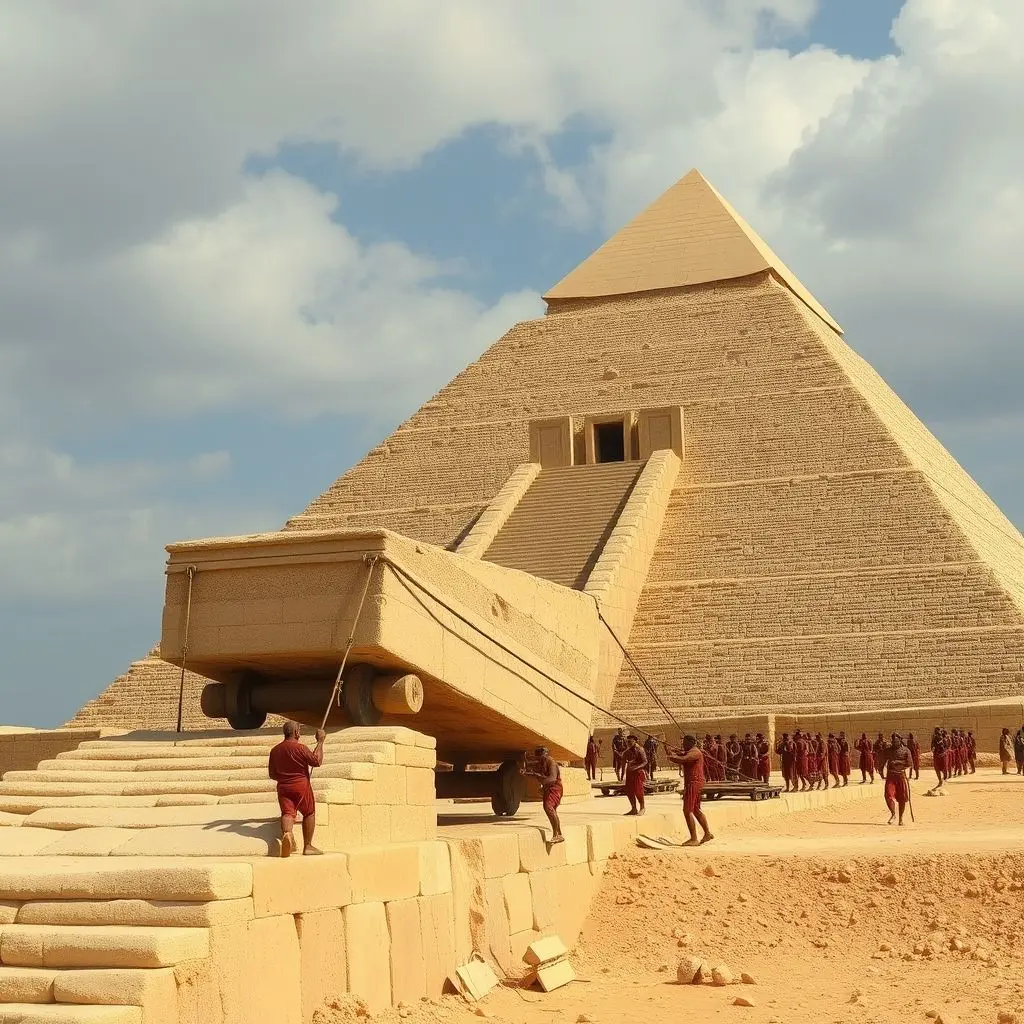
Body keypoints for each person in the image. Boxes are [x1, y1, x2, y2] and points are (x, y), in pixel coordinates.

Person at [268, 720, 326, 858]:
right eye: (299, 730)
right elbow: (316, 761)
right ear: (296, 732)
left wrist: (284, 778)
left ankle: (287, 834)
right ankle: (308, 846)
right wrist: (320, 742)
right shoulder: (300, 748)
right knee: (309, 813)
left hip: (283, 787)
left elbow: (272, 774)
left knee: (287, 813)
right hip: (301, 785)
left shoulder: (275, 750)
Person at [666, 735, 714, 846]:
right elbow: (681, 755)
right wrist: (668, 750)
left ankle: (694, 838)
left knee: (687, 810)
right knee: (696, 809)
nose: (683, 744)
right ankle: (707, 833)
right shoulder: (690, 752)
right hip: (694, 783)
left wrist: (671, 756)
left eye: (684, 742)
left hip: (694, 783)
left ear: (689, 742)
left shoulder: (695, 753)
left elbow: (683, 759)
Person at [527, 746, 564, 844]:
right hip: (548, 789)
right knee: (552, 810)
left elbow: (552, 778)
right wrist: (528, 774)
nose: (539, 759)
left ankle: (557, 834)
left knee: (548, 807)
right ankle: (559, 834)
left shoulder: (551, 762)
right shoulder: (542, 762)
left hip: (554, 789)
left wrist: (542, 784)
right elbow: (539, 775)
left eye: (540, 757)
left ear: (545, 755)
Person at [883, 733, 912, 826]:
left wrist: (897, 762)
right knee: (888, 795)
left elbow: (910, 763)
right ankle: (893, 814)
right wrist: (881, 771)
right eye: (893, 741)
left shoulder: (906, 750)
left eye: (896, 741)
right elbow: (882, 759)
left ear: (900, 740)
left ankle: (901, 818)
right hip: (891, 776)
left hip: (900, 775)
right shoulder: (889, 750)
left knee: (902, 798)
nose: (894, 743)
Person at [622, 734, 648, 816]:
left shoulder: (640, 749)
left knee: (638, 790)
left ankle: (642, 807)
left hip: (638, 772)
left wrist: (636, 767)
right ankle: (633, 808)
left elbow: (645, 761)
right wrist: (622, 774)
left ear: (635, 741)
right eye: (627, 742)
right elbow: (624, 762)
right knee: (629, 790)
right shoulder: (627, 752)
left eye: (630, 741)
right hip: (630, 773)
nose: (628, 743)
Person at [929, 726, 946, 792]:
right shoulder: (939, 737)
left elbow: (932, 747)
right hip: (940, 755)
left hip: (939, 755)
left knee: (938, 768)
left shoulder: (939, 737)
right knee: (940, 768)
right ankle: (942, 779)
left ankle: (941, 780)